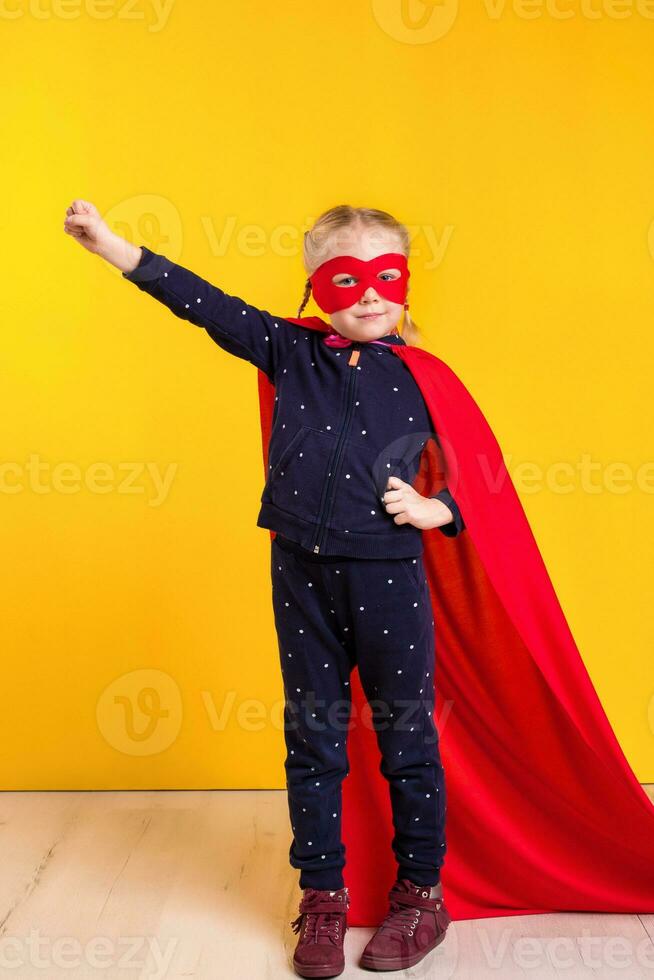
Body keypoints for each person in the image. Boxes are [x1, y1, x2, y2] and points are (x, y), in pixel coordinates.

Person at [63, 201, 463, 976]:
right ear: (316, 289)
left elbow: (483, 478)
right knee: (312, 740)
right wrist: (113, 246)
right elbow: (202, 302)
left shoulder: (425, 378)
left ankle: (421, 895)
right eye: (347, 280)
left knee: (406, 739)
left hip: (388, 579)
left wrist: (435, 507)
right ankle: (322, 897)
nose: (370, 295)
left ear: (407, 286)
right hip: (301, 575)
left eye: (387, 276)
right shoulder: (288, 349)